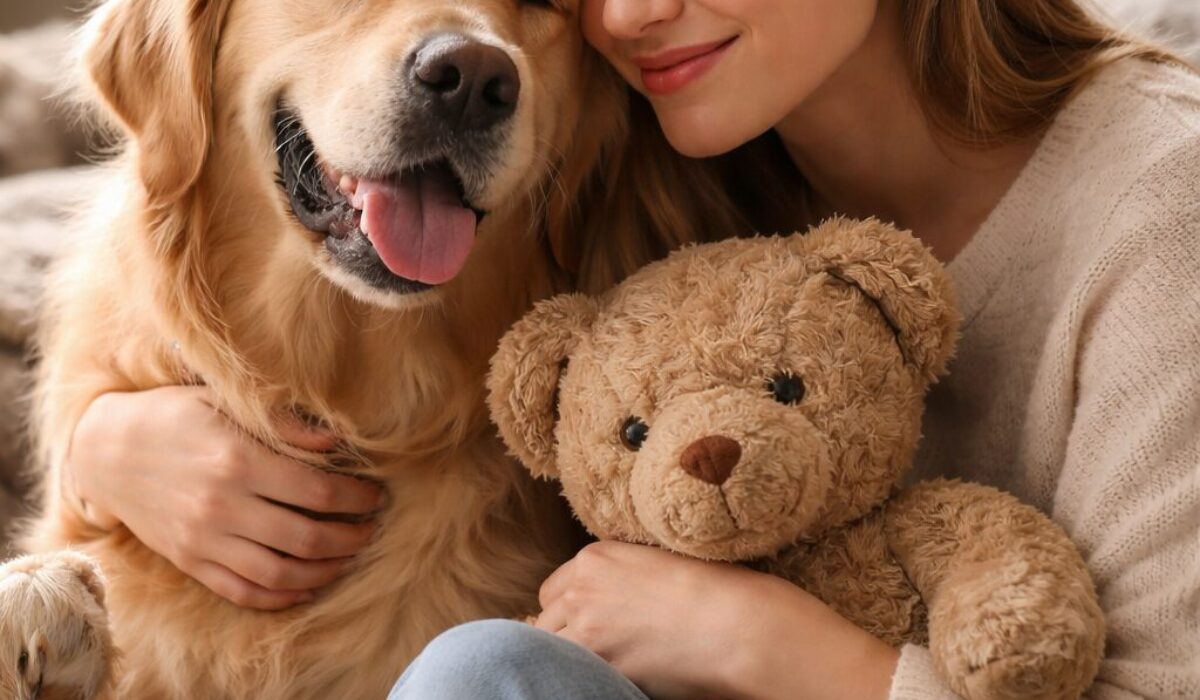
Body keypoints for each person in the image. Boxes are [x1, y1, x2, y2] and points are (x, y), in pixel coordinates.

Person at [62, 0, 1198, 698]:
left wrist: (765, 646)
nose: (635, 9)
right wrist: (98, 447)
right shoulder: (672, 173)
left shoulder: (1160, 212)